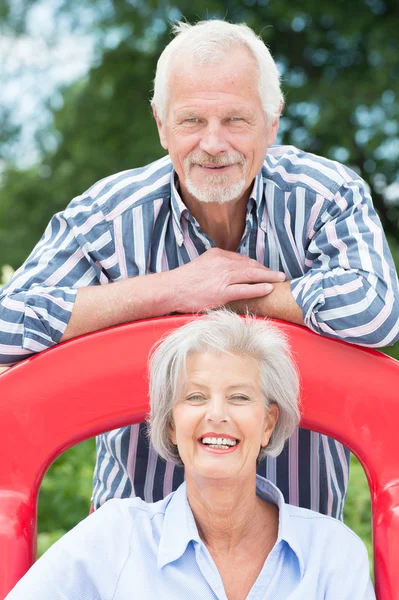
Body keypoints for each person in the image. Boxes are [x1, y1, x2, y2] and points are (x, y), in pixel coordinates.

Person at [0, 20, 398, 520]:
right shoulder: (106, 215)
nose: (213, 144)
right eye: (191, 121)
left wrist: (230, 296)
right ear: (161, 123)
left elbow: (374, 312)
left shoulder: (325, 196)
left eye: (235, 119)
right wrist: (169, 290)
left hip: (296, 544)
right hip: (140, 543)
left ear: (272, 122)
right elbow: (4, 324)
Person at [4, 311, 375, 600]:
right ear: (170, 425)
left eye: (239, 397)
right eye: (195, 397)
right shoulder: (116, 536)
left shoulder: (333, 551)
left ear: (267, 424)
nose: (216, 414)